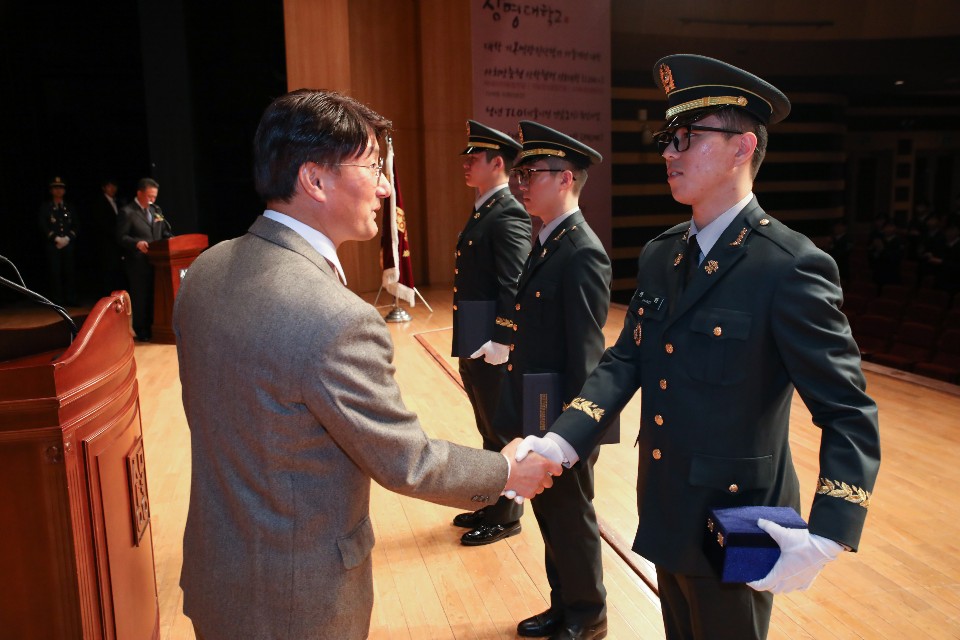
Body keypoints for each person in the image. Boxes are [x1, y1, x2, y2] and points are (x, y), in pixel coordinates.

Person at [172, 89, 562, 640]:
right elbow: (407, 461)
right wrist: (506, 472)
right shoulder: (334, 317)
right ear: (315, 179)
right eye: (374, 167)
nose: (384, 187)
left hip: (219, 573)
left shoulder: (206, 271)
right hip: (298, 602)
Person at [516, 54, 881, 640]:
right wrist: (559, 442)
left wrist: (830, 531)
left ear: (742, 148)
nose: (669, 152)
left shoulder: (789, 266)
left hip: (741, 517)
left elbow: (848, 411)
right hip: (666, 501)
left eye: (687, 137)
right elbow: (625, 361)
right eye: (668, 138)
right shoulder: (663, 254)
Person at [489, 121, 612, 640]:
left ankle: (588, 614)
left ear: (565, 179)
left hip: (564, 417)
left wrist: (574, 435)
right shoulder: (548, 241)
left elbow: (586, 356)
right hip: (539, 407)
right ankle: (564, 605)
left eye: (533, 173)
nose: (522, 183)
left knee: (571, 518)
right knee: (551, 516)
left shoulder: (581, 250)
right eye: (520, 173)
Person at [450, 120, 533, 545]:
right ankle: (494, 500)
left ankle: (507, 514)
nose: (466, 164)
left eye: (475, 157)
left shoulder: (508, 213)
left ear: (497, 163)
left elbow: (512, 284)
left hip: (491, 341)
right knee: (486, 425)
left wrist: (504, 338)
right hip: (475, 334)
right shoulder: (486, 208)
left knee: (500, 429)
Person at [117, 177, 171, 340]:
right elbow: (121, 237)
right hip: (138, 262)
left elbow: (164, 232)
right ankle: (141, 329)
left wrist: (172, 239)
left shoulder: (156, 210)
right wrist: (136, 243)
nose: (152, 200)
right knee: (141, 296)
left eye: (155, 196)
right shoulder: (127, 212)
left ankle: (156, 326)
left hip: (158, 261)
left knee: (156, 295)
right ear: (139, 193)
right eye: (149, 196)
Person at [38, 176, 78, 305]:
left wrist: (67, 238)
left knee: (69, 272)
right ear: (51, 190)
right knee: (55, 273)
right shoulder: (46, 207)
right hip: (53, 244)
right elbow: (42, 225)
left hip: (68, 243)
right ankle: (57, 301)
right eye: (55, 188)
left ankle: (71, 299)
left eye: (61, 187)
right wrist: (55, 238)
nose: (58, 190)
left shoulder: (69, 206)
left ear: (64, 190)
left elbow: (77, 225)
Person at [90, 178, 125, 296]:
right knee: (108, 272)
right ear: (104, 188)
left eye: (114, 186)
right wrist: (117, 235)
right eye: (109, 186)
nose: (112, 189)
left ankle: (118, 297)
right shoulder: (99, 203)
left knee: (118, 272)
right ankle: (108, 298)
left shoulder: (119, 202)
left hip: (119, 244)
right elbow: (102, 223)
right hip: (106, 244)